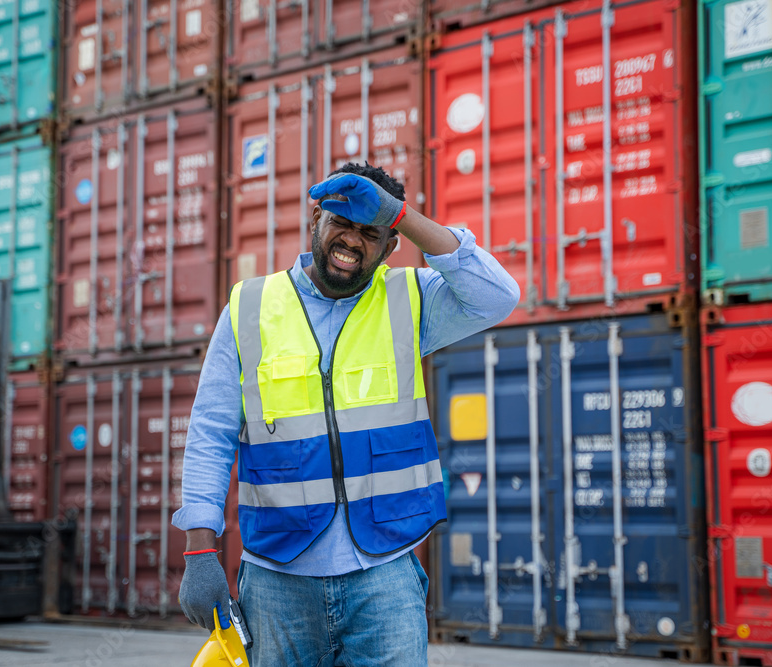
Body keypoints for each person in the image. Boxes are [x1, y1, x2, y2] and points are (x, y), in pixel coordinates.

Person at [173, 162, 520, 666]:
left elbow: (498, 296)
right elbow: (210, 432)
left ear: (390, 245)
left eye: (371, 230)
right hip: (277, 578)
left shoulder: (410, 299)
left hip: (384, 574)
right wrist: (200, 548)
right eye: (342, 222)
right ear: (315, 217)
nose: (352, 240)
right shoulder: (250, 308)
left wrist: (400, 213)